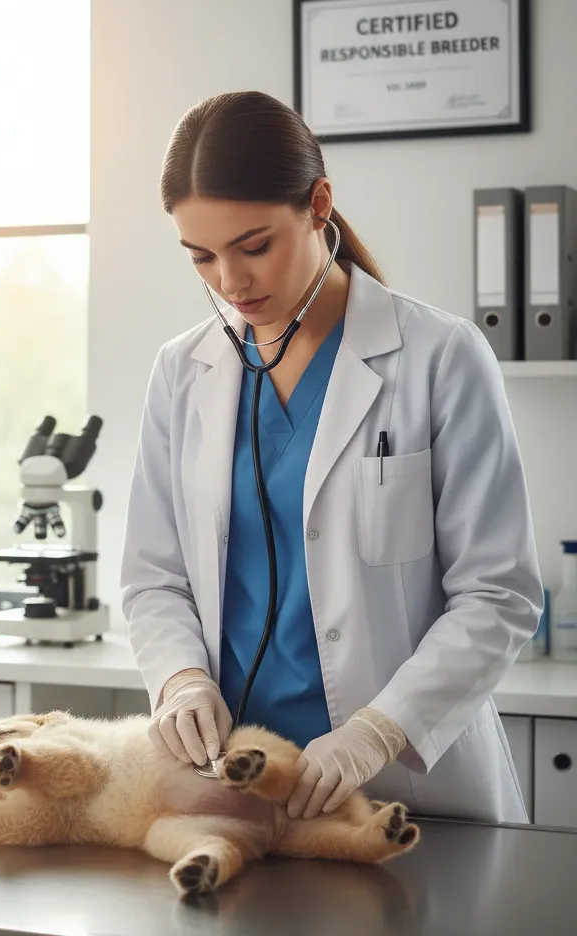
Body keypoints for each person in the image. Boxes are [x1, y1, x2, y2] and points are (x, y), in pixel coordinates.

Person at [120, 90, 543, 826]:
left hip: (410, 788)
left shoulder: (438, 357)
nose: (230, 281)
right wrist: (181, 679)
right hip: (238, 787)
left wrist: (379, 732)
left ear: (319, 206)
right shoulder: (182, 371)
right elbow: (155, 577)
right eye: (202, 257)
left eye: (254, 246)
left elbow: (498, 594)